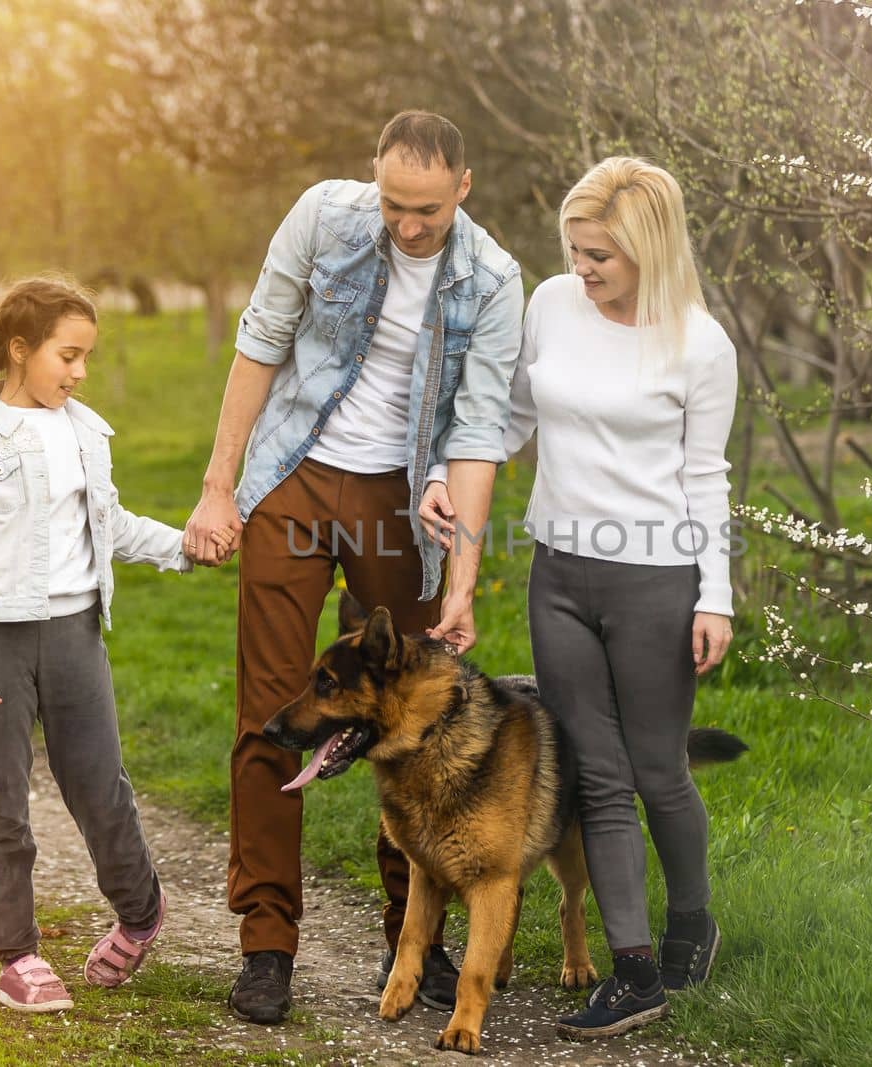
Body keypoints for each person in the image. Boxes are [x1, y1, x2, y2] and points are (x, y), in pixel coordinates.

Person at [181, 111, 523, 1025]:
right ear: (373, 181)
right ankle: (266, 944)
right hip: (292, 478)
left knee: (408, 722)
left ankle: (413, 942)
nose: (406, 225)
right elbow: (260, 342)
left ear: (464, 186)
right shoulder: (323, 218)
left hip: (401, 503)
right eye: (392, 204)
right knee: (271, 709)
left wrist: (460, 579)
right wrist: (221, 488)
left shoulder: (492, 279)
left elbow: (481, 429)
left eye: (425, 210)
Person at [420, 157, 738, 1040]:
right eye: (574, 249)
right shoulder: (553, 305)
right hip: (558, 574)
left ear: (649, 250)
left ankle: (690, 923)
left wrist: (715, 595)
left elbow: (706, 475)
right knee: (596, 777)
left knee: (656, 771)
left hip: (656, 582)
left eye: (600, 254)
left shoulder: (701, 346)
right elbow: (517, 414)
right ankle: (634, 972)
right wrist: (452, 472)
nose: (582, 268)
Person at [0, 276, 192, 1013]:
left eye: (85, 358)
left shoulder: (84, 431)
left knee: (102, 789)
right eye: (67, 355)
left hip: (76, 635)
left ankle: (141, 911)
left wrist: (184, 546)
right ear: (19, 349)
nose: (77, 372)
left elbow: (111, 524)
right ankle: (19, 953)